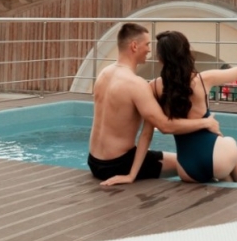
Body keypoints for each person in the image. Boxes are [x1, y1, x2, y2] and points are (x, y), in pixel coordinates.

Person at [105, 6, 237, 185]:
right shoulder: (203, 80)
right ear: (186, 52)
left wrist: (131, 175)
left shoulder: (154, 88)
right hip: (218, 158)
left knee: (226, 174)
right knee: (230, 144)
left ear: (161, 59)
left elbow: (146, 135)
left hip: (187, 169)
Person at [88, 22, 219, 186]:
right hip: (119, 165)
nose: (150, 50)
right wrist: (206, 122)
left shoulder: (103, 74)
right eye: (147, 44)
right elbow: (165, 126)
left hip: (94, 162)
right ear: (134, 46)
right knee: (191, 165)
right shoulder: (136, 84)